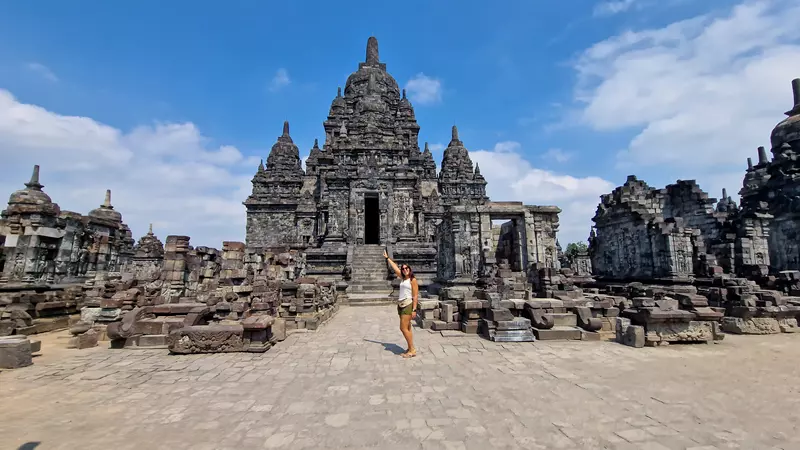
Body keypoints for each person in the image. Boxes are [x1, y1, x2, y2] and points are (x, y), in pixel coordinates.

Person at [384, 249, 418, 358]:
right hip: (401, 304)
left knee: (403, 328)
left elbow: (415, 296)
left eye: (406, 268)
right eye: (403, 269)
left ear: (410, 269)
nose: (404, 270)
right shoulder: (403, 278)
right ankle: (410, 347)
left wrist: (414, 309)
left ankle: (412, 350)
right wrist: (387, 258)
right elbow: (395, 268)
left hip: (408, 305)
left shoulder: (413, 280)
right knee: (408, 328)